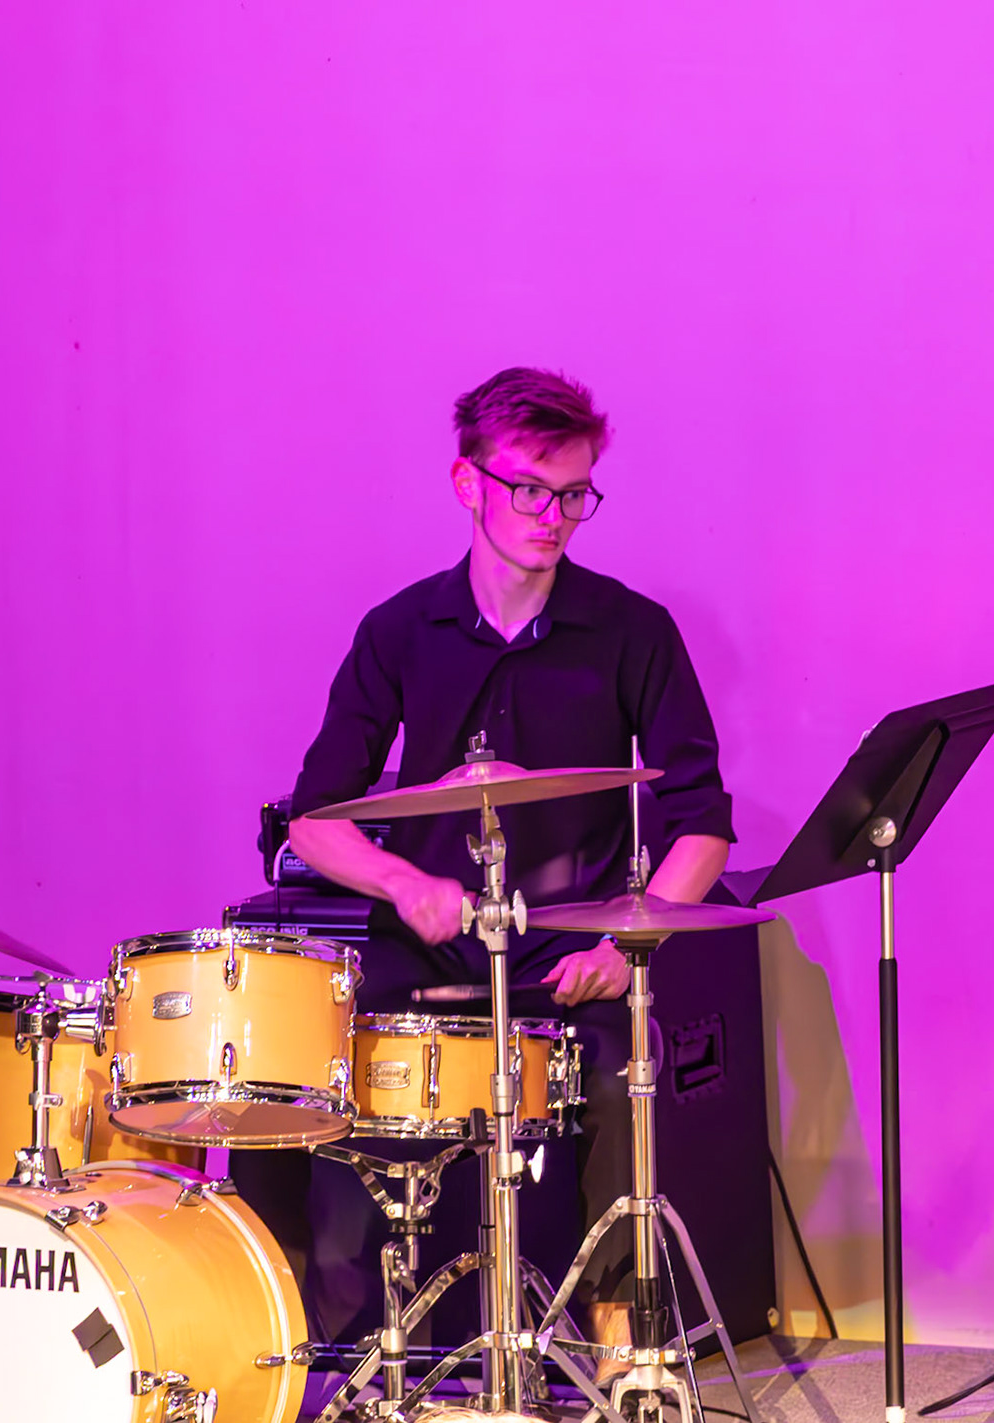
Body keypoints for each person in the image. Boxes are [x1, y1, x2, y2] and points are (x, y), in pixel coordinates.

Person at [235, 366, 734, 1366]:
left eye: (575, 493)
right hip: (418, 941)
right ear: (468, 484)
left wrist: (623, 940)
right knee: (292, 1058)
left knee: (602, 1071)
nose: (555, 516)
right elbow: (316, 818)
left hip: (564, 951)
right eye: (530, 490)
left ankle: (569, 1335)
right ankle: (336, 1331)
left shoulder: (633, 630)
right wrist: (404, 883)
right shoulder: (398, 630)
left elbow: (701, 825)